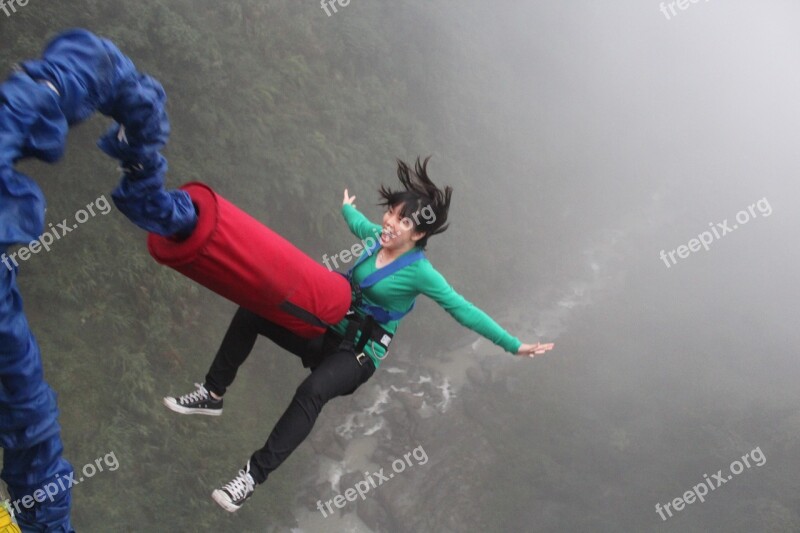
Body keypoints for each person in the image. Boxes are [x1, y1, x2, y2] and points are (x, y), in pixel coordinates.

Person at [162, 157, 554, 512]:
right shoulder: (376, 240)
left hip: (359, 356)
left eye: (403, 221)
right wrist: (347, 207)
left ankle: (251, 477)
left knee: (312, 391)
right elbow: (358, 223)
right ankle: (212, 393)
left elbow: (463, 310)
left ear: (417, 235)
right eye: (391, 214)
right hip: (327, 331)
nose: (389, 223)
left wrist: (513, 345)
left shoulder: (420, 272)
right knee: (254, 310)